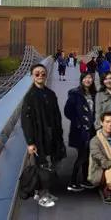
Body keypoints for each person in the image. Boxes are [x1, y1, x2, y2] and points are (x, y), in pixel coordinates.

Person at [21, 63, 66, 208]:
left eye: (43, 73)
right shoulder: (30, 96)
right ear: (32, 76)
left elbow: (57, 115)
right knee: (42, 167)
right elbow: (26, 121)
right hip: (39, 137)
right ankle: (42, 195)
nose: (40, 75)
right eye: (37, 73)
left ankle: (47, 191)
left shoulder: (50, 94)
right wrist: (30, 142)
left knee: (53, 164)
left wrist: (59, 133)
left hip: (53, 135)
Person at [64, 72, 97, 192]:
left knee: (87, 155)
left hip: (91, 129)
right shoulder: (75, 94)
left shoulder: (94, 94)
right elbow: (67, 111)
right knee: (82, 156)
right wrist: (78, 122)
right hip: (79, 130)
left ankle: (84, 180)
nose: (88, 80)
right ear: (81, 80)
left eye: (90, 78)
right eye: (86, 78)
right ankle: (72, 182)